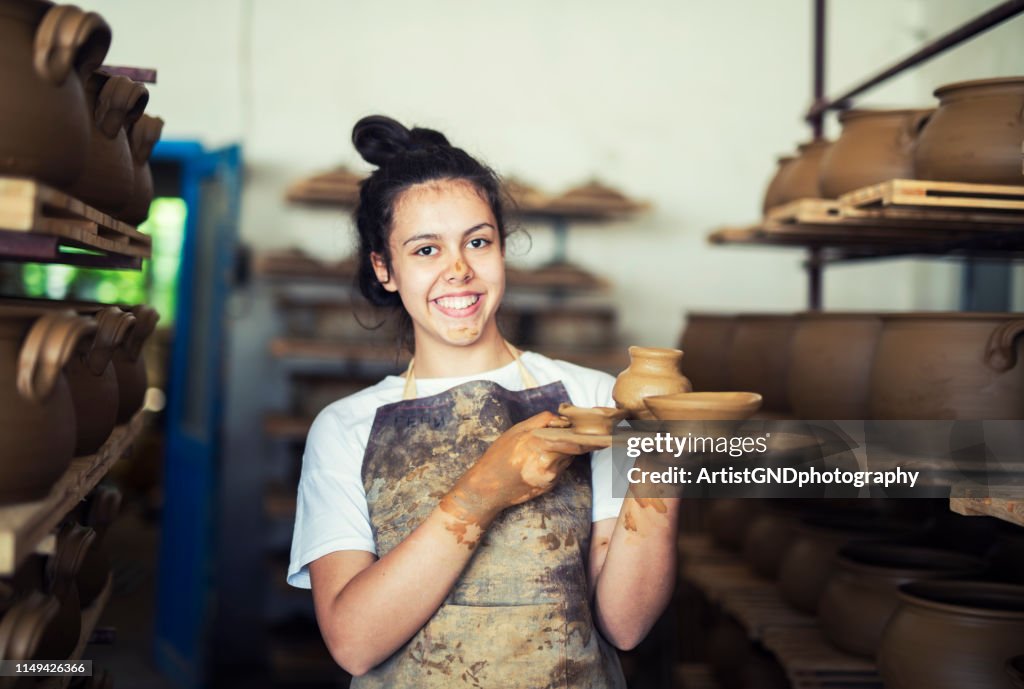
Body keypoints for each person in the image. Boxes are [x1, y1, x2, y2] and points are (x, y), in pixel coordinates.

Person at [288, 115, 680, 688]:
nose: (459, 270)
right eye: (426, 250)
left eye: (478, 242)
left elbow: (624, 624)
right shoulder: (346, 427)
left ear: (501, 249)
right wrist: (479, 495)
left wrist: (664, 468)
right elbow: (354, 644)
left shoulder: (594, 398)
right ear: (385, 268)